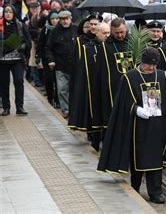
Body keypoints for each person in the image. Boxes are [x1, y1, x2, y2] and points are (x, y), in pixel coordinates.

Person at [98, 48, 166, 204]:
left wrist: (162, 111)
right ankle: (135, 187)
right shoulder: (130, 77)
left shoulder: (162, 76)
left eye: (154, 65)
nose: (151, 68)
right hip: (138, 125)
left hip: (157, 124)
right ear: (142, 62)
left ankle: (155, 192)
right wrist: (136, 109)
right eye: (148, 65)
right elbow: (122, 102)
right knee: (138, 157)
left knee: (155, 159)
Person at [68, 22, 110, 151]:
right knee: (94, 114)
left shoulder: (110, 47)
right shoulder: (88, 48)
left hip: (106, 87)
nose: (107, 36)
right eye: (104, 33)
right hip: (92, 88)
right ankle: (95, 141)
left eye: (108, 33)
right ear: (96, 33)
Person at [96, 18, 133, 127]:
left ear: (126, 29)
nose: (120, 35)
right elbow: (101, 71)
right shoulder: (105, 46)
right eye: (116, 33)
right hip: (113, 87)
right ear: (111, 31)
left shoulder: (133, 42)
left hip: (131, 85)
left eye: (122, 32)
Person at [45, 10, 77, 118]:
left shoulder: (76, 29)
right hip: (60, 65)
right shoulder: (55, 31)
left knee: (74, 89)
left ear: (70, 18)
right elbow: (48, 47)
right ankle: (66, 109)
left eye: (66, 18)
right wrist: (51, 60)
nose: (65, 21)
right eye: (62, 19)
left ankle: (74, 109)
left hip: (74, 65)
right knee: (62, 89)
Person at [0, 5, 31, 116]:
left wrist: (22, 46)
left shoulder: (20, 25)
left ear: (14, 13)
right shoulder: (0, 26)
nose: (8, 14)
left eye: (10, 12)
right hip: (2, 61)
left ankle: (20, 107)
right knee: (4, 84)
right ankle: (6, 107)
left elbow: (27, 41)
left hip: (17, 59)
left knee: (19, 81)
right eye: (6, 12)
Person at [36, 11, 60, 108]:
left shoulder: (60, 29)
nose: (54, 21)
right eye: (52, 19)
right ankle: (50, 97)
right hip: (47, 58)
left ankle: (58, 100)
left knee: (58, 80)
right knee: (49, 79)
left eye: (56, 18)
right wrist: (38, 57)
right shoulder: (46, 29)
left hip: (58, 58)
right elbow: (40, 43)